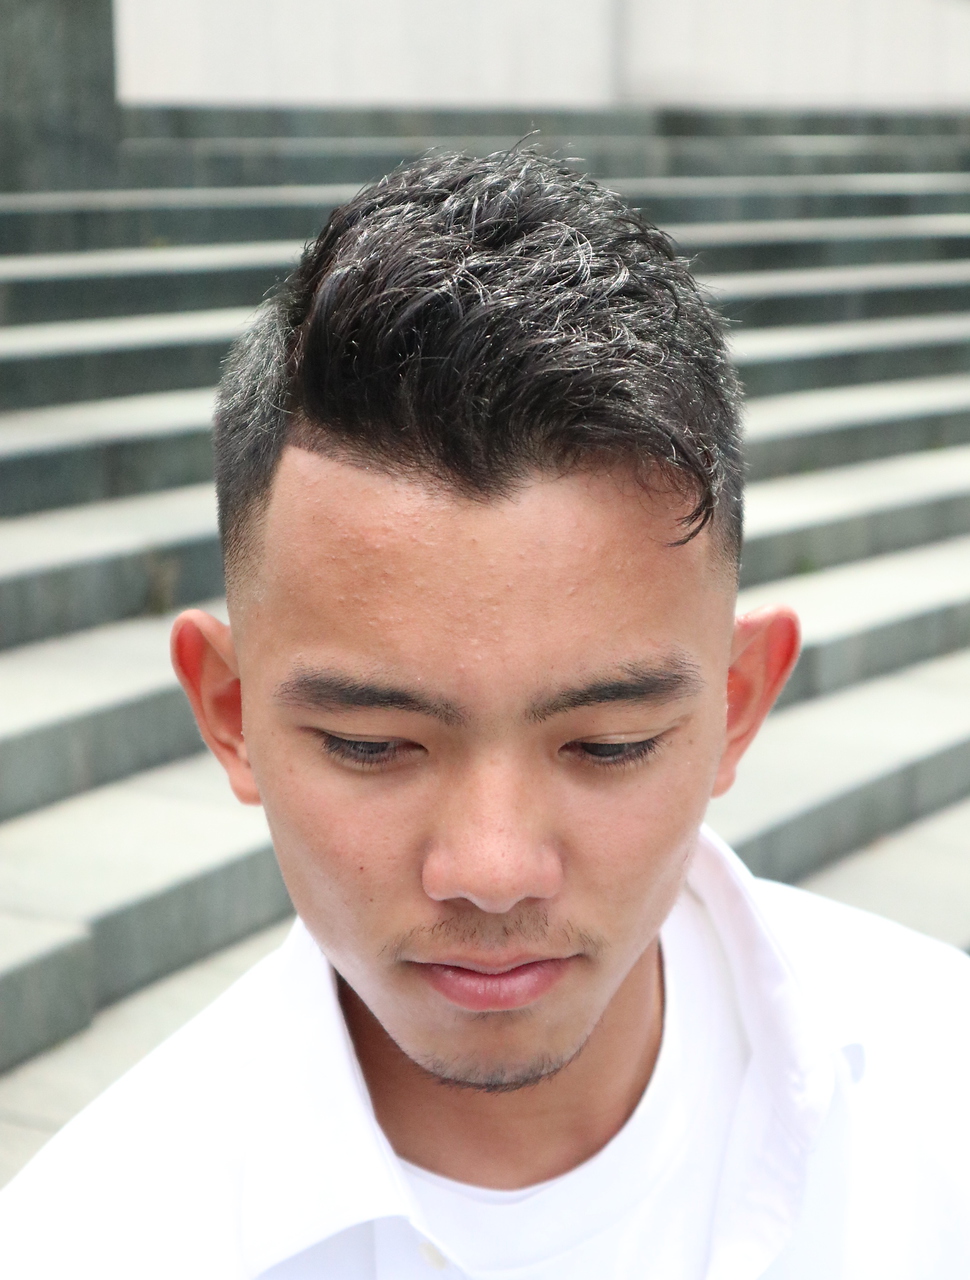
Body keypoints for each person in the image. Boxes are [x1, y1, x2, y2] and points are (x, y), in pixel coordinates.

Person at [1, 150, 968, 1279]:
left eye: (607, 744)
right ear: (229, 712)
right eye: (373, 745)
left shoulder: (940, 1090)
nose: (494, 871)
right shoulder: (85, 1243)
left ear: (737, 703)